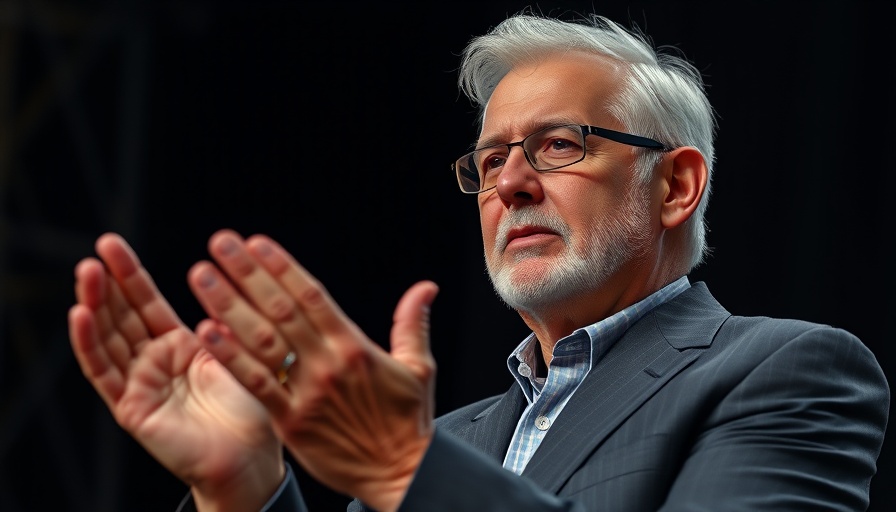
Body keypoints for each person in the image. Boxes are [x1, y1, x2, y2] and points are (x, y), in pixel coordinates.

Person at [68, 10, 890, 512]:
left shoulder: (786, 372)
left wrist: (403, 470)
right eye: (489, 162)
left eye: (558, 145)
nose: (511, 184)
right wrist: (242, 488)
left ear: (675, 185)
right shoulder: (449, 435)